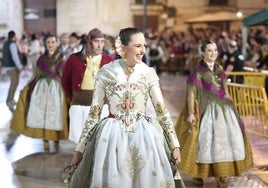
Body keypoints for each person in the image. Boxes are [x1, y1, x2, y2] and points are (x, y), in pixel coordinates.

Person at [66, 27, 185, 188]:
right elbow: (94, 114)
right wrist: (79, 150)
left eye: (144, 45)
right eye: (138, 46)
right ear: (123, 48)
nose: (143, 50)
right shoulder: (106, 73)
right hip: (111, 138)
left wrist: (174, 145)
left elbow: (162, 110)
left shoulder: (148, 73)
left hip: (145, 136)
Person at [175, 40, 253, 188]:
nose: (213, 53)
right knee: (203, 142)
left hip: (223, 109)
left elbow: (225, 89)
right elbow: (191, 93)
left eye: (215, 50)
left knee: (223, 142)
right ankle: (199, 174)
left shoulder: (219, 69)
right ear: (203, 53)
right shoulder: (197, 71)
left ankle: (221, 175)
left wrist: (230, 101)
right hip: (204, 108)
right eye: (209, 50)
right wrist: (191, 112)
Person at [10, 34, 69, 151]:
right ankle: (45, 140)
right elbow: (36, 73)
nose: (50, 45)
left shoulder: (62, 58)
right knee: (43, 114)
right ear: (45, 44)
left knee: (55, 114)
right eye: (48, 42)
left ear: (57, 44)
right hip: (42, 88)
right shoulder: (41, 59)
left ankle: (56, 139)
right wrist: (28, 85)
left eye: (53, 42)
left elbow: (65, 75)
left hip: (56, 88)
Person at [61, 28, 114, 143]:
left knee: (99, 140)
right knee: (81, 141)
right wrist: (74, 97)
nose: (100, 45)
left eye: (102, 41)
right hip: (80, 106)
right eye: (96, 41)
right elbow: (65, 81)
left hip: (101, 107)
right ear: (89, 42)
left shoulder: (109, 60)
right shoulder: (74, 59)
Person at [2, 30, 24, 112]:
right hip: (12, 67)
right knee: (14, 84)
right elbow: (15, 56)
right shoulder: (12, 44)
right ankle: (10, 100)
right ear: (14, 37)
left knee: (13, 83)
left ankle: (10, 99)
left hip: (8, 67)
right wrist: (19, 66)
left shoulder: (6, 43)